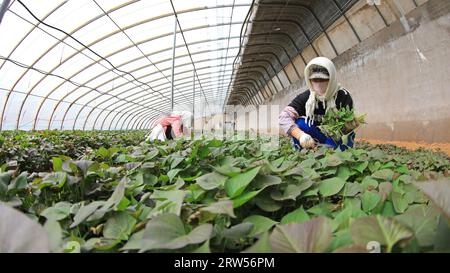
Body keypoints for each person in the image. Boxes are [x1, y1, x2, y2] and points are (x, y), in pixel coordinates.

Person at [279, 56, 359, 151]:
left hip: (335, 136)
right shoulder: (306, 97)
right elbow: (283, 117)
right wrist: (300, 135)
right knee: (300, 123)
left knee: (339, 152)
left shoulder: (342, 96)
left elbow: (347, 123)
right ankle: (303, 151)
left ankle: (334, 148)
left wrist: (348, 127)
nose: (319, 84)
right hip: (315, 135)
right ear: (309, 80)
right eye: (315, 80)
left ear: (331, 78)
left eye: (323, 80)